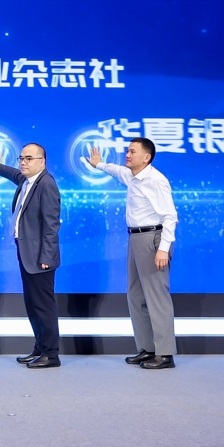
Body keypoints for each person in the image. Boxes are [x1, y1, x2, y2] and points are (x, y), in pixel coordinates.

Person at [88, 137, 179, 369]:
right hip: (135, 238)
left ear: (146, 157)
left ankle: (165, 353)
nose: (127, 155)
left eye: (132, 152)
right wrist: (98, 164)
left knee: (156, 297)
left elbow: (170, 216)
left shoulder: (156, 180)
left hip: (152, 238)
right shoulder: (132, 175)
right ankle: (148, 349)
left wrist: (163, 249)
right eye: (127, 151)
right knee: (136, 296)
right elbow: (116, 170)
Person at [0, 143, 62, 369]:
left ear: (42, 162)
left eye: (29, 158)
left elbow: (51, 225)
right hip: (26, 252)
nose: (23, 162)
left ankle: (51, 354)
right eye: (21, 158)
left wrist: (46, 256)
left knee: (43, 305)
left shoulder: (46, 184)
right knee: (32, 303)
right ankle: (40, 348)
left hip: (40, 257)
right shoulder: (27, 181)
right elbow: (15, 175)